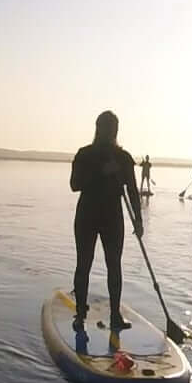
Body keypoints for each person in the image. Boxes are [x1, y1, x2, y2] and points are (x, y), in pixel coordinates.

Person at [70, 111, 144, 330]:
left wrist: (138, 221)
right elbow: (74, 184)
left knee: (114, 266)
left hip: (112, 218)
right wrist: (101, 172)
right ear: (99, 128)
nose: (111, 131)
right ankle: (80, 312)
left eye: (113, 127)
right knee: (84, 264)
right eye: (107, 127)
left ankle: (115, 315)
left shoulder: (123, 158)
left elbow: (132, 190)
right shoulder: (84, 154)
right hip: (87, 216)